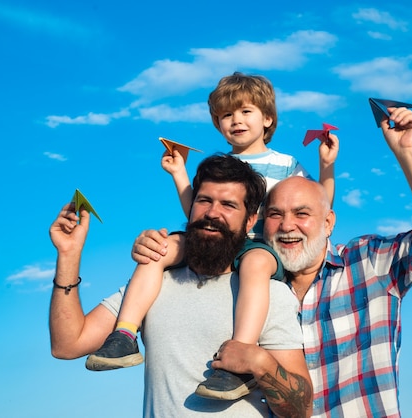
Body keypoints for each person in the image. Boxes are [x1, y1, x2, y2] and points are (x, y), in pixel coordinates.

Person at [133, 105, 412, 417]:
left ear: (329, 222)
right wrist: (161, 245)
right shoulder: (254, 288)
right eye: (275, 214)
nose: (288, 226)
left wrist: (407, 152)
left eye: (302, 214)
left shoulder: (368, 264)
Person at [86, 72, 339, 400]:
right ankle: (125, 335)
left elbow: (318, 203)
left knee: (256, 266)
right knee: (160, 249)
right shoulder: (219, 166)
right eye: (226, 115)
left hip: (256, 244)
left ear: (267, 118)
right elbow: (201, 212)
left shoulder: (286, 163)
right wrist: (179, 174)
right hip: (214, 240)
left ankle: (237, 358)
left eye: (245, 111)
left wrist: (326, 166)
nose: (235, 120)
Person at [49, 154, 313, 417]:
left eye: (228, 205)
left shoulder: (269, 294)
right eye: (204, 200)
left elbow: (301, 410)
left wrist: (260, 363)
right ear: (191, 205)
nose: (212, 213)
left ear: (249, 221)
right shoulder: (152, 284)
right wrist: (69, 255)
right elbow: (67, 344)